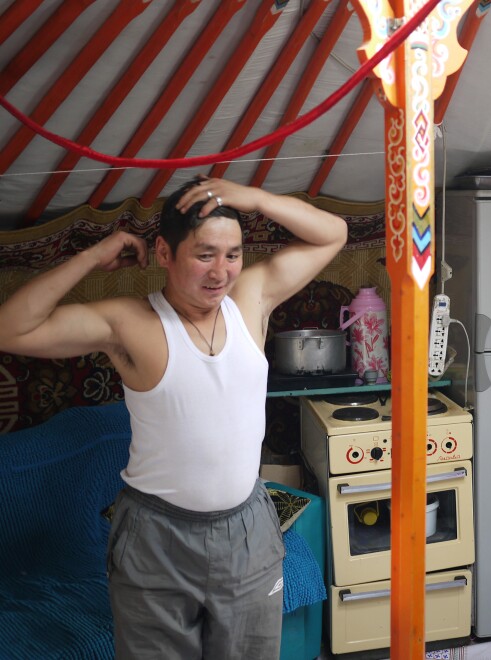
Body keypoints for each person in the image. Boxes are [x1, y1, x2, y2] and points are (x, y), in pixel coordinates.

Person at [0, 176, 348, 659]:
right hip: (155, 536)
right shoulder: (129, 323)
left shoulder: (252, 297)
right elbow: (11, 329)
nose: (221, 272)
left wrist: (255, 199)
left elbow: (333, 233)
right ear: (163, 253)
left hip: (248, 529)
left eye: (233, 254)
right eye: (204, 254)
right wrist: (89, 258)